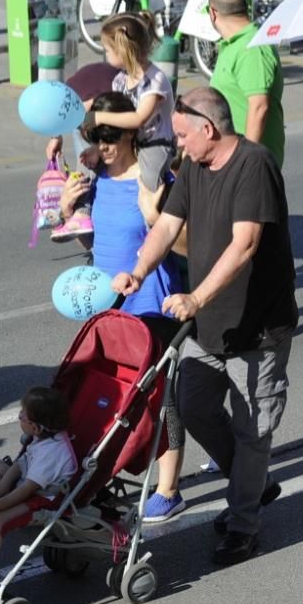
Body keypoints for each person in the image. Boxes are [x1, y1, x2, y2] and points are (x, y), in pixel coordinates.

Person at [113, 87, 297, 566]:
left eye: (181, 135)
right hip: (209, 325)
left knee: (253, 429)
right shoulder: (194, 167)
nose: (178, 146)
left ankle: (242, 527)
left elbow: (246, 244)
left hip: (257, 327)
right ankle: (252, 485)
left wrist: (196, 296)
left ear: (208, 129)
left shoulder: (253, 166)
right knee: (194, 408)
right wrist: (139, 268)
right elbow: (167, 226)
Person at [60, 91, 188, 522]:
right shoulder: (96, 182)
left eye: (111, 134)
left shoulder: (153, 182)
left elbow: (183, 243)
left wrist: (153, 215)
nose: (103, 144)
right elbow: (95, 245)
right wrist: (67, 213)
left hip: (153, 304)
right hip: (109, 309)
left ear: (132, 133)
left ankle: (169, 487)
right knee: (108, 399)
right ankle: (104, 473)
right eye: (95, 135)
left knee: (162, 398)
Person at [70, 12, 175, 242]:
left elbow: (138, 119)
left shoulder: (154, 80)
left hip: (155, 144)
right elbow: (113, 109)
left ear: (123, 49)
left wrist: (99, 117)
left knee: (148, 182)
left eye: (107, 49)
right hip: (130, 140)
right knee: (87, 159)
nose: (104, 54)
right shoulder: (120, 80)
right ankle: (82, 211)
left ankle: (152, 229)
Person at [0, 386, 76, 594]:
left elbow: (27, 490)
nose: (19, 416)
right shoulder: (42, 439)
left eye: (23, 415)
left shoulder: (51, 454)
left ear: (36, 428)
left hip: (43, 497)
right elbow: (20, 464)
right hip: (28, 483)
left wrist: (0, 506)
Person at [207, 0, 286, 168]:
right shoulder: (234, 45)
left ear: (212, 12)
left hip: (249, 165)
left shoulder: (252, 48)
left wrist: (246, 163)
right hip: (231, 159)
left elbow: (259, 107)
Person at [45, 62, 119, 243]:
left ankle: (80, 212)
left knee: (91, 166)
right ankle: (79, 212)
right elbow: (61, 111)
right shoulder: (73, 102)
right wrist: (57, 135)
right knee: (85, 167)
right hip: (93, 111)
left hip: (107, 112)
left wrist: (98, 150)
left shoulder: (114, 98)